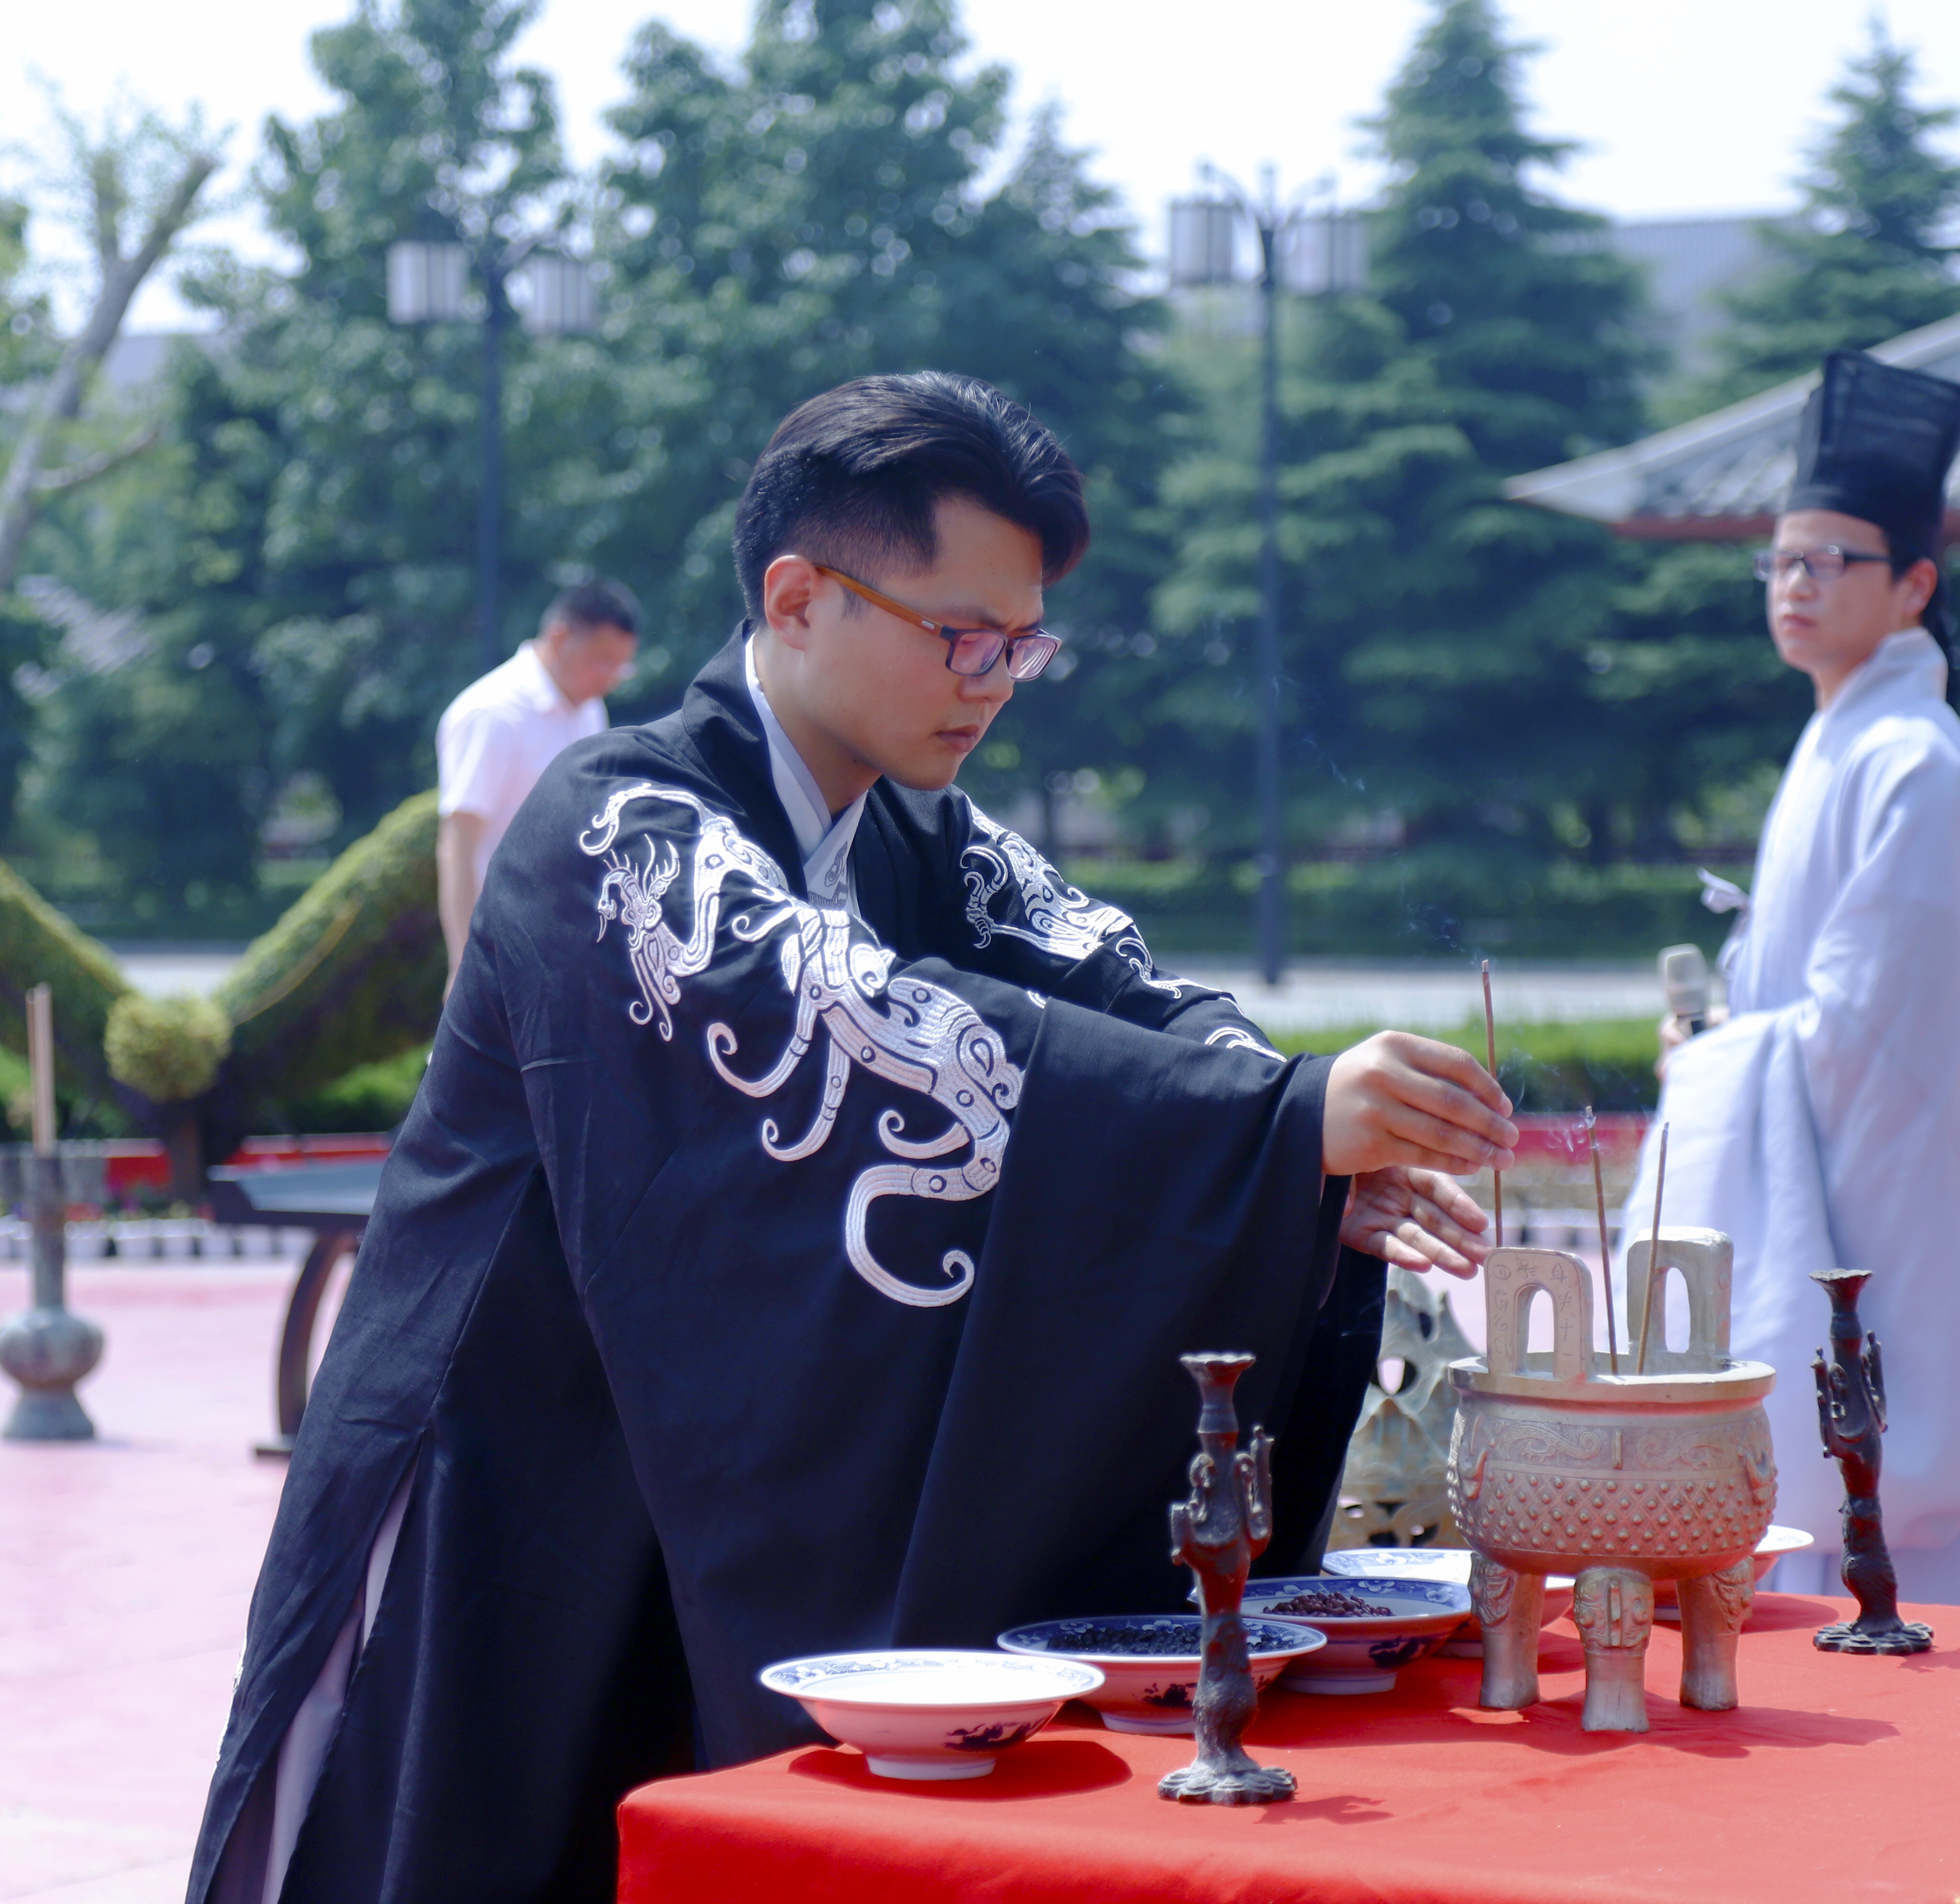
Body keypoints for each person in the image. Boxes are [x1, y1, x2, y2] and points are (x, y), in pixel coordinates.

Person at [190, 372, 1514, 1903]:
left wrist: (1294, 1145)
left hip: (702, 1460)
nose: (995, 680)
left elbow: (1121, 994)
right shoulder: (619, 827)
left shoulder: (922, 832)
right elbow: (853, 1020)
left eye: (1023, 644)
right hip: (511, 1472)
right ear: (798, 597)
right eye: (961, 635)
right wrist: (1270, 1129)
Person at [1625, 350, 1960, 1617]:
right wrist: (1727, 1042)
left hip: (1886, 1193)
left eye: (1829, 561)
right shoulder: (1838, 738)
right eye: (1780, 562)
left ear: (1915, 585)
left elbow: (1874, 1039)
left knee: (1888, 1466)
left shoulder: (1913, 763)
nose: (1795, 585)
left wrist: (1713, 1061)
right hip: (1829, 1165)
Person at [435, 580, 642, 983]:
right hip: (500, 949)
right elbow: (458, 845)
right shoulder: (493, 714)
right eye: (602, 662)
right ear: (560, 638)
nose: (612, 679)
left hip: (564, 945)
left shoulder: (588, 711)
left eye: (621, 667)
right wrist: (464, 963)